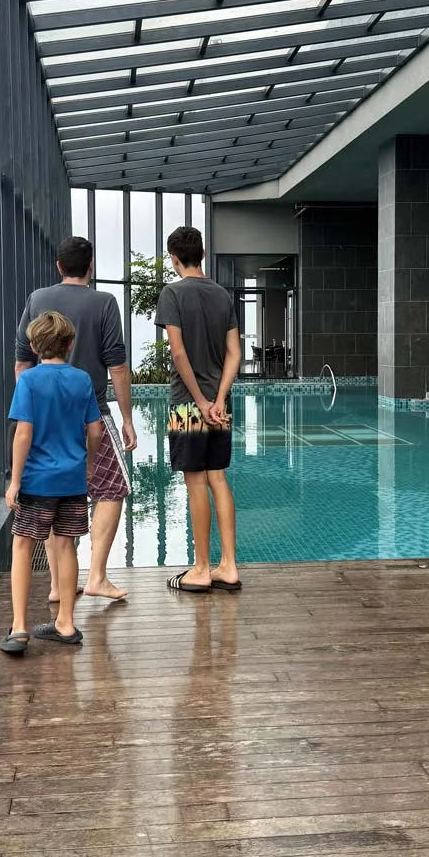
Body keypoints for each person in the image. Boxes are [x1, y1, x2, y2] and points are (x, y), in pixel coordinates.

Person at [15, 237, 135, 603]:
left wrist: (33, 405)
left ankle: (57, 584)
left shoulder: (37, 299)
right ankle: (96, 576)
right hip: (91, 410)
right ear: (90, 266)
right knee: (112, 488)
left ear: (58, 266)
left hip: (45, 419)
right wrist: (127, 418)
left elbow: (22, 362)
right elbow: (117, 366)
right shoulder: (104, 302)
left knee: (54, 491)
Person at [1, 311, 102, 651]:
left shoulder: (29, 381)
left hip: (37, 481)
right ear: (70, 345)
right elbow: (95, 431)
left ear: (33, 346)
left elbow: (23, 433)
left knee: (22, 545)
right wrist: (88, 465)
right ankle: (66, 623)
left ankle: (19, 627)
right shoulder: (82, 380)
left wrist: (15, 481)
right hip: (72, 480)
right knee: (66, 545)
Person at [154, 226, 242, 594]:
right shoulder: (222, 295)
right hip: (221, 406)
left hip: (188, 405)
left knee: (195, 484)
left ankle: (202, 568)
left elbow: (178, 353)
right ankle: (229, 566)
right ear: (203, 254)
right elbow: (235, 354)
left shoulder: (172, 293)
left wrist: (201, 402)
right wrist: (218, 399)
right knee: (217, 477)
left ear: (174, 259)